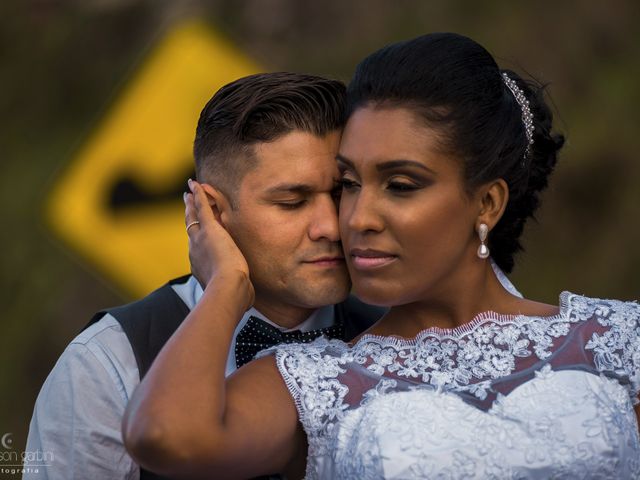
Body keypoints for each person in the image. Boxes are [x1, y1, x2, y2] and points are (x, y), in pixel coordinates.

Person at [123, 33, 640, 479]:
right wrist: (226, 285)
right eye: (349, 183)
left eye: (399, 184)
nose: (355, 218)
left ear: (487, 202)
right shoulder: (313, 381)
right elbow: (165, 434)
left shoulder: (620, 338)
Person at [24, 72, 388, 479]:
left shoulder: (399, 341)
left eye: (341, 192)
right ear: (210, 212)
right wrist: (227, 286)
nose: (330, 226)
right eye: (292, 201)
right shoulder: (106, 363)